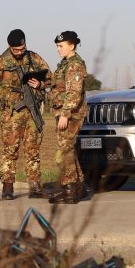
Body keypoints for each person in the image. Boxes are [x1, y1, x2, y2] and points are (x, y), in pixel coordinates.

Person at [0, 29, 50, 200]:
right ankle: (7, 188)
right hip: (11, 114)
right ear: (9, 47)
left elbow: (51, 78)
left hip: (32, 111)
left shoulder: (34, 58)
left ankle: (34, 186)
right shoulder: (0, 62)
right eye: (16, 50)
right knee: (10, 151)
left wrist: (41, 84)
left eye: (22, 48)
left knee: (33, 150)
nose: (20, 52)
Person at [48, 31, 88, 204]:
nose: (58, 49)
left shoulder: (74, 65)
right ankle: (78, 188)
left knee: (64, 151)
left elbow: (74, 92)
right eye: (57, 46)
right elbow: (59, 86)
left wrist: (65, 114)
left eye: (61, 46)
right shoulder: (65, 64)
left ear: (71, 46)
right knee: (68, 150)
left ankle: (69, 191)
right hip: (63, 112)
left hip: (71, 115)